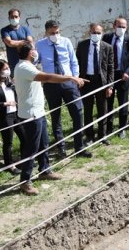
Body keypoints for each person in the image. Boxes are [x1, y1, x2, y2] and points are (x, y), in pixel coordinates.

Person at [14, 44, 87, 195]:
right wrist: (70, 77)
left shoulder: (28, 66)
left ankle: (44, 170)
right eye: (34, 50)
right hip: (30, 115)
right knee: (32, 148)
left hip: (38, 112)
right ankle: (25, 181)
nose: (36, 52)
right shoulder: (24, 68)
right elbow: (47, 77)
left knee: (44, 143)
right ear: (30, 53)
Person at [35, 20, 91, 158]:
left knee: (78, 113)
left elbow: (73, 61)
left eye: (57, 32)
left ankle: (79, 146)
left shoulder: (66, 42)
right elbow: (36, 61)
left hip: (69, 83)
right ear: (46, 32)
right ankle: (61, 147)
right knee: (56, 116)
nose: (55, 35)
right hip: (51, 84)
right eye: (52, 33)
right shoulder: (40, 45)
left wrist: (76, 78)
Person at [76, 23, 114, 145]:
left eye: (98, 33)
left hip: (101, 82)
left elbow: (110, 68)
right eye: (94, 32)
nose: (96, 35)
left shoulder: (107, 47)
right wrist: (78, 79)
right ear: (89, 33)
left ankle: (102, 135)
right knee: (88, 110)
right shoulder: (82, 46)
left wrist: (110, 86)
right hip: (86, 81)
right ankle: (89, 136)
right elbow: (77, 63)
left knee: (103, 109)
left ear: (102, 33)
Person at [103, 17, 129, 138]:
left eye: (123, 27)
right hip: (109, 76)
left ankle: (122, 129)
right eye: (119, 26)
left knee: (123, 103)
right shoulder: (106, 38)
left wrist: (127, 72)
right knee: (109, 102)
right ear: (114, 26)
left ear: (126, 28)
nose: (121, 29)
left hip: (123, 76)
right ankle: (109, 128)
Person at [0, 59, 23, 175]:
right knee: (8, 142)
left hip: (16, 114)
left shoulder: (10, 83)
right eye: (5, 69)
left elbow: (17, 95)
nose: (8, 70)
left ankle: (22, 160)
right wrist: (5, 104)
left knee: (24, 137)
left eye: (8, 68)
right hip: (5, 116)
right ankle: (9, 165)